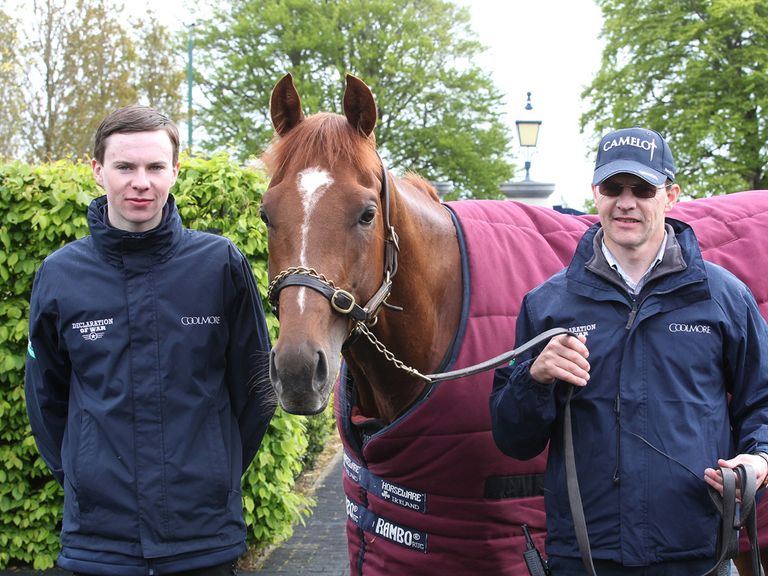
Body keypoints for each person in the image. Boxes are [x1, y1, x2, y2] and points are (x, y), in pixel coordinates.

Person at [490, 126, 768, 575]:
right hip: (585, 557)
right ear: (595, 193)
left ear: (670, 195)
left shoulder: (722, 297)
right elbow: (513, 441)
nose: (626, 202)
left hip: (699, 554)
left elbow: (764, 399)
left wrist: (759, 458)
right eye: (612, 187)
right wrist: (534, 379)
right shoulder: (547, 305)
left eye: (642, 188)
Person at [24, 105, 275, 576]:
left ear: (175, 171)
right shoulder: (60, 275)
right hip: (99, 540)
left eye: (155, 166)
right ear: (98, 170)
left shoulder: (220, 264)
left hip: (203, 536)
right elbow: (46, 398)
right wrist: (85, 476)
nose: (141, 181)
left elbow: (255, 391)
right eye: (125, 166)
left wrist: (214, 470)